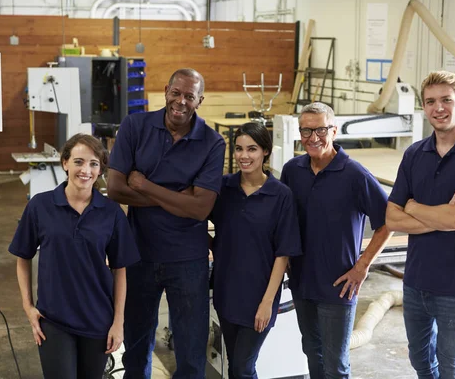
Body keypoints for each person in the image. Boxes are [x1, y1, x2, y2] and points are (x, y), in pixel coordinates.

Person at [107, 68, 226, 378]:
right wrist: (179, 198)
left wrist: (145, 186)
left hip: (188, 260)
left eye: (190, 96)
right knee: (136, 345)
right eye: (176, 93)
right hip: (139, 255)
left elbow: (201, 210)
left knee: (190, 349)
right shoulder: (135, 126)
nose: (181, 101)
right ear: (165, 90)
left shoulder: (213, 143)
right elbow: (116, 188)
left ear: (200, 100)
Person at [386, 70, 455, 379]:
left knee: (451, 367)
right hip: (417, 277)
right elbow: (392, 219)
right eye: (431, 101)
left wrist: (414, 206)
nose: (439, 108)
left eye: (446, 100)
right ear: (424, 107)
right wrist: (443, 215)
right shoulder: (414, 154)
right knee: (420, 360)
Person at [9, 133, 140, 379]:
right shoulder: (40, 206)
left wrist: (118, 322)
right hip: (54, 318)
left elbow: (120, 269)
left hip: (98, 319)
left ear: (100, 168)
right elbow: (23, 257)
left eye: (93, 163)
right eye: (79, 162)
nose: (86, 170)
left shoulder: (110, 212)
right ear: (65, 163)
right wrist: (28, 307)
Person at [280, 102, 392, 378]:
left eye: (320, 129)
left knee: (336, 364)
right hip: (302, 281)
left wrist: (362, 266)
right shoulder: (292, 171)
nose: (313, 137)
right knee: (311, 352)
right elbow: (283, 220)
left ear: (334, 130)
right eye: (306, 130)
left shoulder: (355, 175)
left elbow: (388, 221)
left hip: (339, 285)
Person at [210, 122, 302, 378]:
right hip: (226, 292)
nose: (244, 156)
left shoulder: (280, 195)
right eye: (239, 149)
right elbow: (196, 219)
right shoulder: (223, 188)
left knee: (243, 367)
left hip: (259, 296)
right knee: (235, 367)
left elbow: (283, 253)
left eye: (252, 149)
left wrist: (266, 303)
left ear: (265, 152)